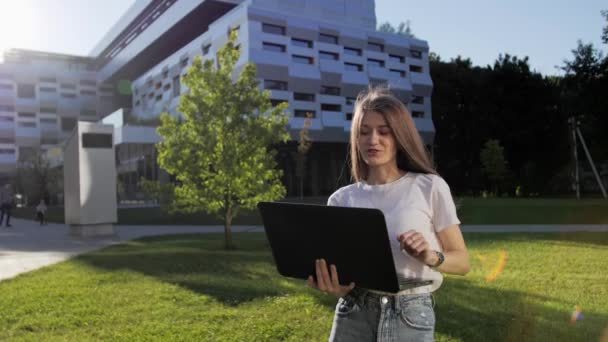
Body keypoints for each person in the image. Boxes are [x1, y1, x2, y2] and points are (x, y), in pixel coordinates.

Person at [307, 86, 470, 341]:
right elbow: (341, 272)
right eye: (364, 132)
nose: (373, 140)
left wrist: (429, 255)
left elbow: (462, 262)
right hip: (354, 313)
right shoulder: (341, 199)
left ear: (400, 136)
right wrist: (336, 286)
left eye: (384, 131)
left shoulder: (429, 186)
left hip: (410, 315)